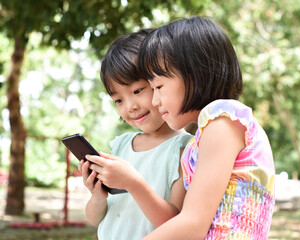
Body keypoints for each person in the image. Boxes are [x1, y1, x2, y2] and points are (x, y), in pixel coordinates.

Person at [138, 16, 275, 239]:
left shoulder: (223, 118)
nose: (154, 101)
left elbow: (193, 223)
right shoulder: (206, 133)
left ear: (196, 74)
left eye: (159, 86)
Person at [78, 29, 193, 239]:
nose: (129, 106)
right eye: (118, 100)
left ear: (159, 83)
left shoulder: (184, 149)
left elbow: (175, 224)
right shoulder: (121, 145)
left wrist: (131, 182)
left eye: (137, 91)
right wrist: (98, 195)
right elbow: (95, 219)